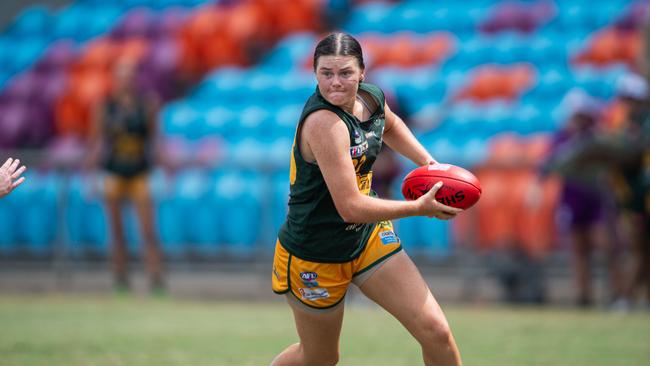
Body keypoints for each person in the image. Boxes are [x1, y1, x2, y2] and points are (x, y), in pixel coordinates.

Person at [271, 32, 463, 366]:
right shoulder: (323, 124)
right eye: (325, 73)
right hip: (316, 252)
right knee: (320, 359)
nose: (335, 83)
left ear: (362, 72)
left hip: (366, 238)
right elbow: (351, 207)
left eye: (345, 73)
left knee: (436, 331)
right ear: (314, 73)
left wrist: (431, 165)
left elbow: (390, 124)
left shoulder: (371, 98)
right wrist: (419, 207)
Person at [87, 61, 165, 295]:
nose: (126, 81)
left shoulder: (147, 105)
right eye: (121, 76)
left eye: (130, 76)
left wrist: (166, 167)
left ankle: (155, 280)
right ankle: (120, 280)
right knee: (117, 232)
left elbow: (155, 140)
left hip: (140, 171)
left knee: (148, 231)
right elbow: (97, 142)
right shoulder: (105, 107)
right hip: (114, 172)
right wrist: (90, 175)